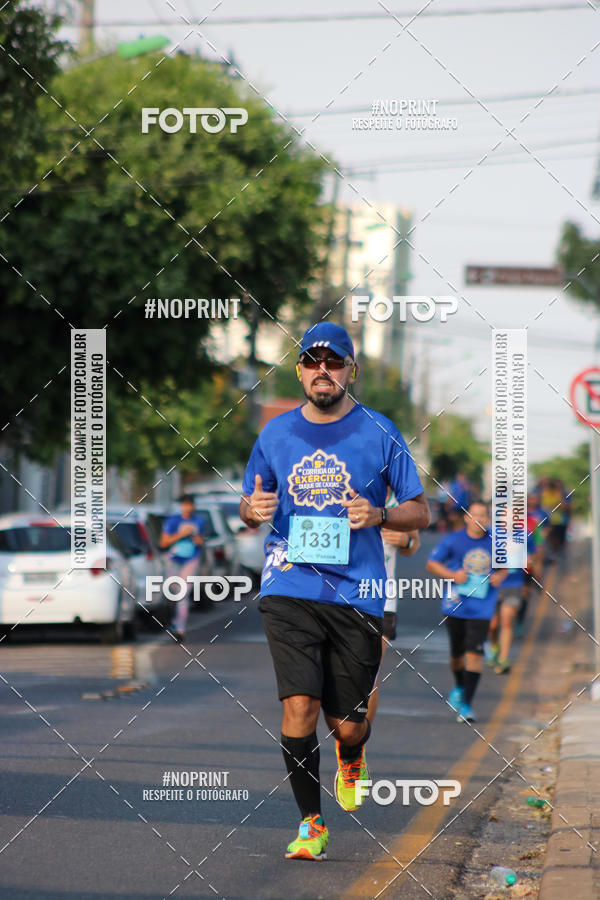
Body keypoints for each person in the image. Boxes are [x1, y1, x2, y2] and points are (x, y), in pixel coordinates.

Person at [239, 322, 430, 862]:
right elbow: (249, 505)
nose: (323, 371)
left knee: (347, 724)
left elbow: (421, 509)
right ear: (299, 370)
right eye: (312, 362)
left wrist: (381, 513)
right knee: (299, 704)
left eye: (335, 362)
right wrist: (252, 512)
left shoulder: (380, 431)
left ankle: (353, 754)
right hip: (289, 584)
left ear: (351, 371)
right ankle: (311, 823)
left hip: (358, 594)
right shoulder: (275, 434)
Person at [426, 500, 506, 723]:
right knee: (457, 655)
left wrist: (501, 575)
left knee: (474, 655)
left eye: (483, 516)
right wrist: (453, 576)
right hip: (455, 605)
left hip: (482, 607)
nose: (479, 519)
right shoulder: (453, 540)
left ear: (488, 519)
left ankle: (467, 706)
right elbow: (432, 564)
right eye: (475, 515)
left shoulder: (496, 541)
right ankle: (459, 686)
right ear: (466, 517)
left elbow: (507, 565)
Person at [366, 487, 420, 722]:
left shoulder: (400, 502)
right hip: (340, 595)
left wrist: (404, 540)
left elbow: (413, 545)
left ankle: (356, 749)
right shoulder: (351, 489)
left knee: (369, 675)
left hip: (382, 597)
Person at [486, 531, 536, 674]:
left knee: (507, 621)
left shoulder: (525, 537)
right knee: (492, 624)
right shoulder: (489, 534)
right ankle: (494, 645)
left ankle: (503, 658)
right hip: (492, 585)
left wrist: (528, 582)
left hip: (514, 584)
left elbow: (531, 559)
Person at [159, 494, 204, 641]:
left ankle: (180, 629)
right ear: (181, 506)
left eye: (190, 504)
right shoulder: (173, 521)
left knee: (183, 593)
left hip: (191, 560)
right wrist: (181, 534)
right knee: (172, 591)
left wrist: (199, 540)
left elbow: (202, 540)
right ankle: (173, 620)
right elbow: (164, 543)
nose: (188, 507)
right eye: (185, 504)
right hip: (173, 560)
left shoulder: (199, 521)